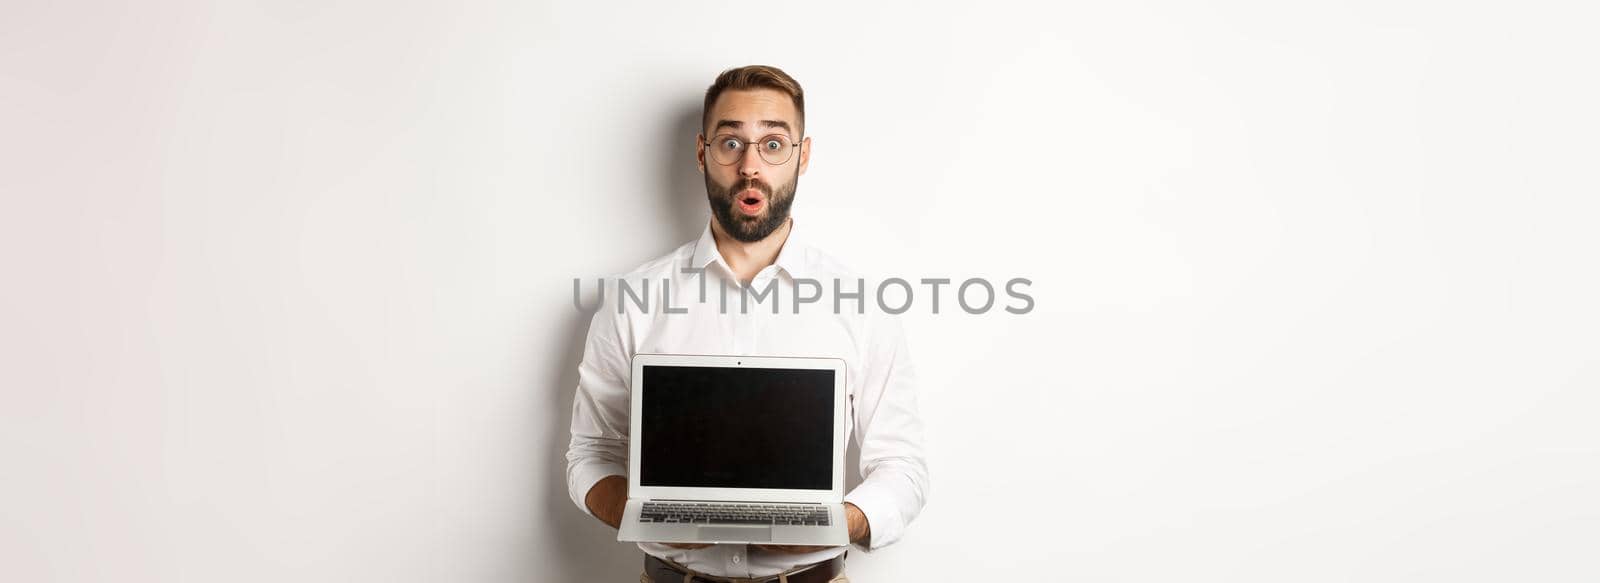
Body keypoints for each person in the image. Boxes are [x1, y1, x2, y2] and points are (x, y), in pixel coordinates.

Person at [566, 65, 929, 583]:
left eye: (773, 144)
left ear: (802, 157)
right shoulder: (634, 300)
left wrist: (829, 524)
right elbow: (589, 456)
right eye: (731, 142)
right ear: (702, 154)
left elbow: (903, 467)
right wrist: (641, 512)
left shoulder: (860, 306)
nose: (750, 166)